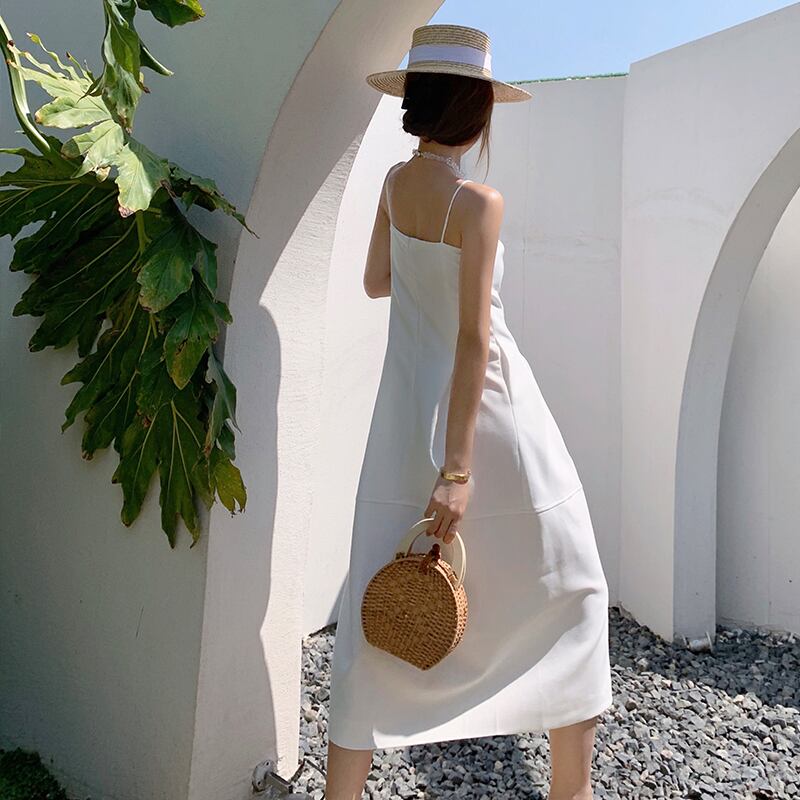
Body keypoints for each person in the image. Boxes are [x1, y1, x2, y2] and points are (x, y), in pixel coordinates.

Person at [323, 23, 614, 800]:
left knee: (379, 615)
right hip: (491, 423)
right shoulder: (478, 202)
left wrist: (423, 260)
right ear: (476, 113)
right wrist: (457, 471)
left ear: (418, 104)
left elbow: (377, 281)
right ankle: (571, 792)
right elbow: (475, 338)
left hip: (403, 421)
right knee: (575, 590)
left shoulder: (394, 185)